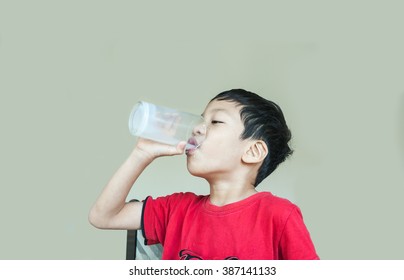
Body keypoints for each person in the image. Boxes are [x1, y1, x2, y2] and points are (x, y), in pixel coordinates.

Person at [89, 88, 319, 260]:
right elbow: (104, 216)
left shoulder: (278, 215)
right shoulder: (176, 209)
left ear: (253, 151)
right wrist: (141, 153)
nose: (197, 128)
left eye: (215, 121)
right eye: (200, 120)